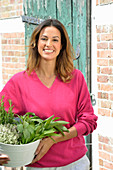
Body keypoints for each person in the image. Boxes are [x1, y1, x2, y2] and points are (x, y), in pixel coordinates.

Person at [0, 19, 98, 170]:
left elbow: (89, 121)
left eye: (55, 40)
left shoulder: (76, 78)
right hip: (38, 165)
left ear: (62, 45)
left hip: (75, 164)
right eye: (44, 39)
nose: (49, 44)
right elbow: (3, 119)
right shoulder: (19, 82)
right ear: (36, 43)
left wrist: (54, 138)